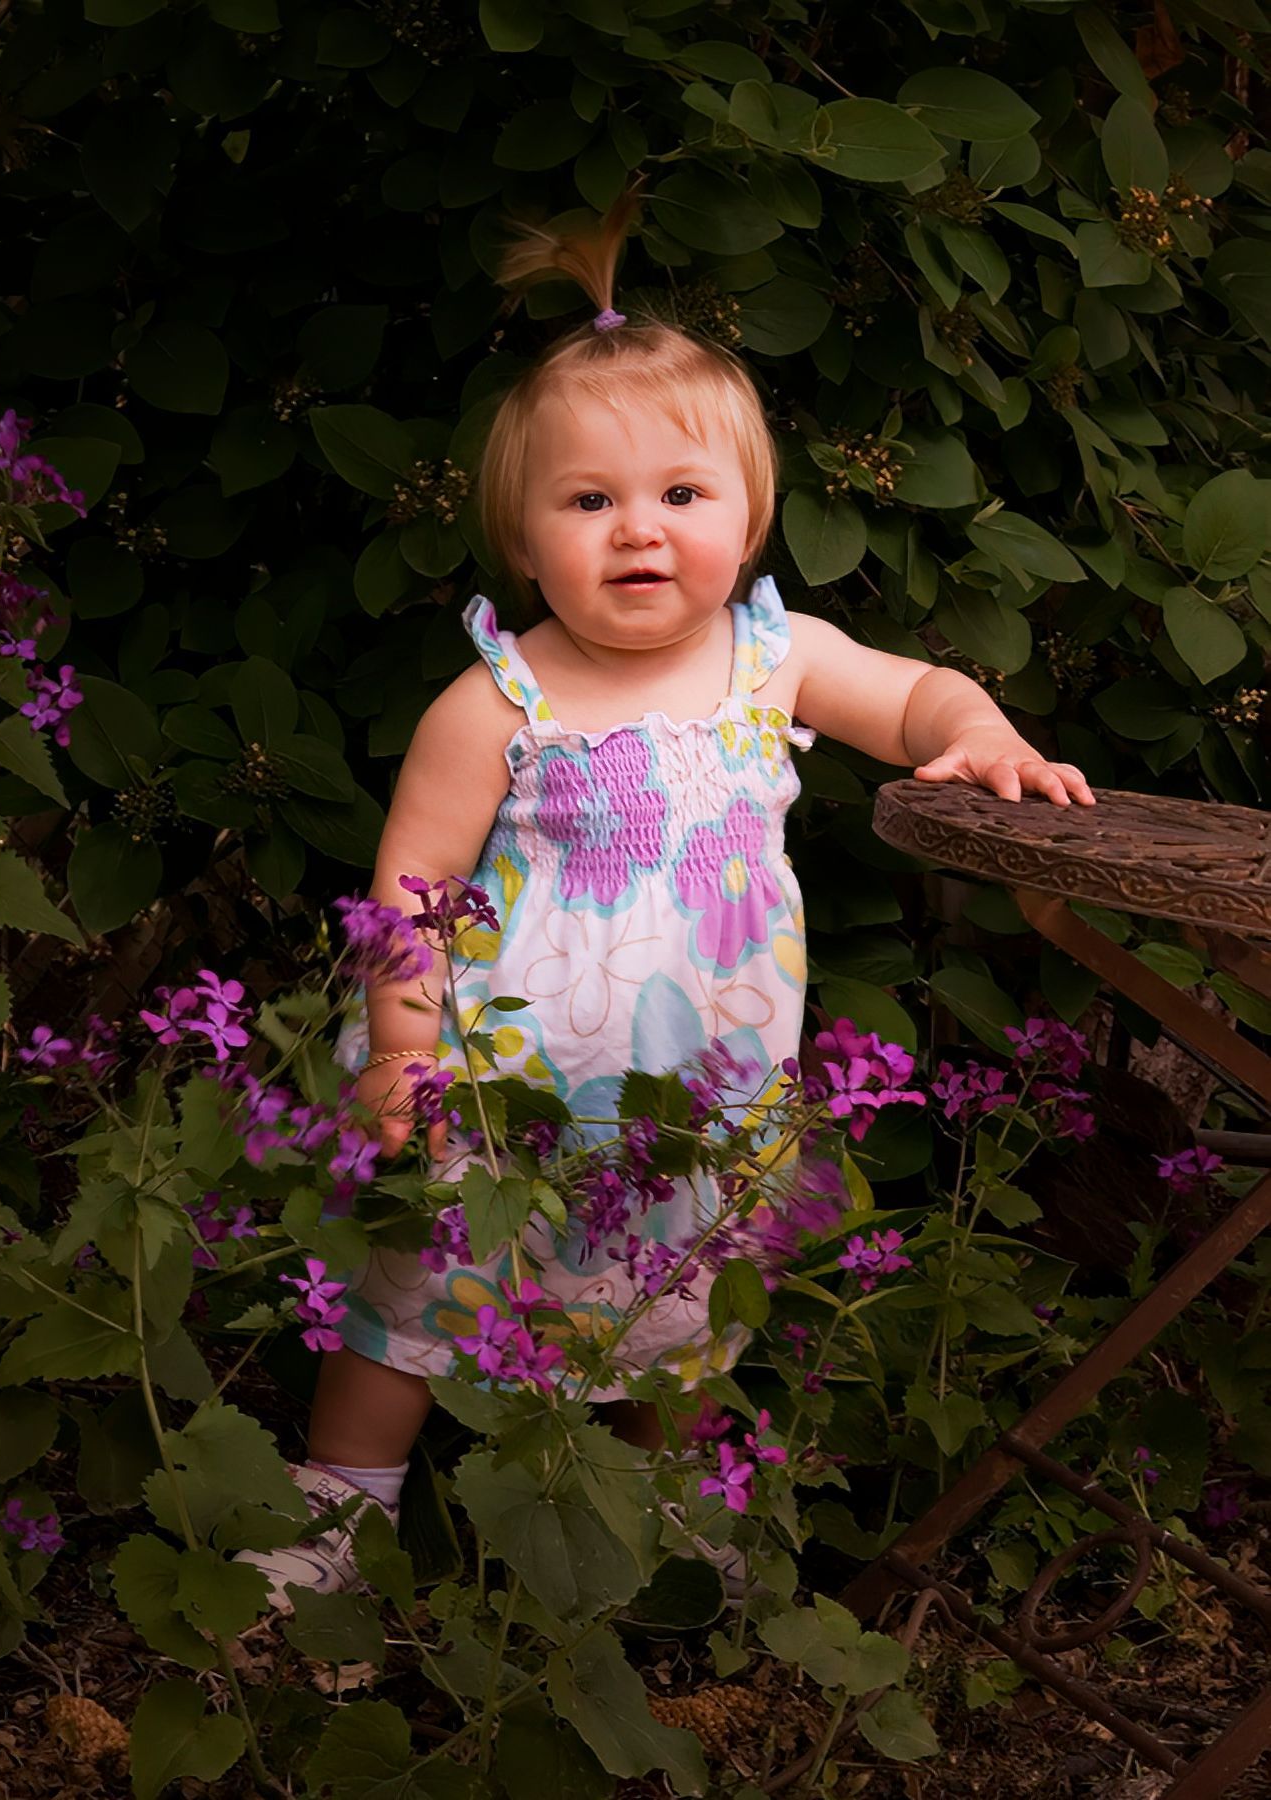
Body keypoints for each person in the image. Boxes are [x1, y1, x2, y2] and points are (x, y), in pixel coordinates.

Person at [240, 194, 1094, 1609]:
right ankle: (346, 1504)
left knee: (683, 1300)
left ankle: (660, 1514)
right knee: (414, 1292)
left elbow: (917, 694)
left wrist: (981, 730)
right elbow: (411, 885)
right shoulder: (495, 698)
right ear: (520, 537)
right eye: (588, 503)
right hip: (494, 1085)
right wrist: (400, 1049)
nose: (638, 534)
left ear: (750, 518)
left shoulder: (775, 660)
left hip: (701, 1084)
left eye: (680, 498)